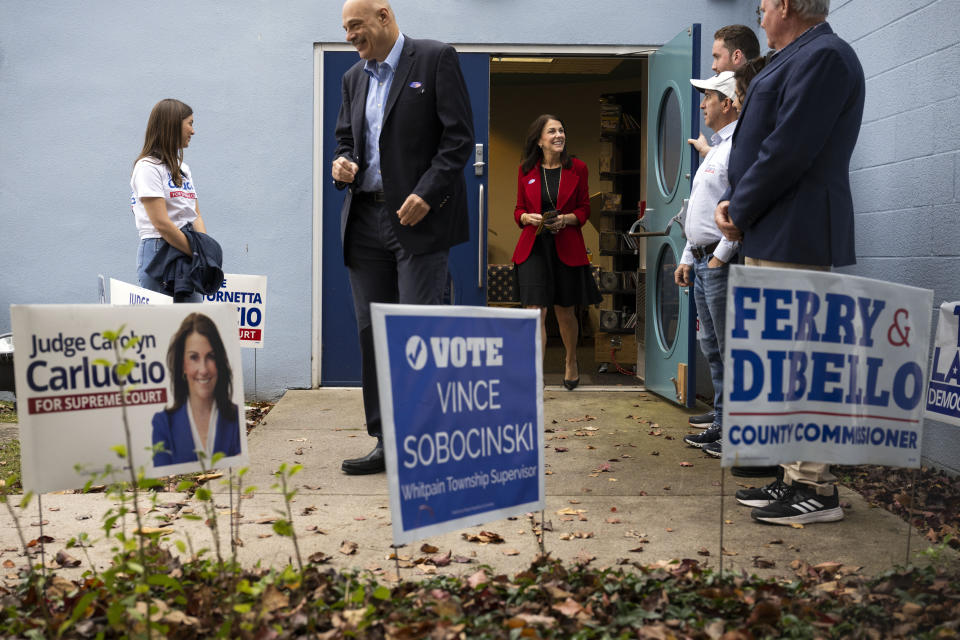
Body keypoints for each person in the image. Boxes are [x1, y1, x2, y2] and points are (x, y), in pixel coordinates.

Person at [714, 0, 866, 525]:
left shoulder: (824, 56)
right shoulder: (795, 54)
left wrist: (742, 205)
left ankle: (816, 488)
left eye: (762, 6)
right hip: (772, 227)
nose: (758, 15)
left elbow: (789, 148)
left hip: (796, 229)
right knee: (781, 365)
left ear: (785, 5)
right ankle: (791, 476)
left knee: (801, 362)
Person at [332, 0, 474, 475]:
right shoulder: (353, 79)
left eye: (356, 26)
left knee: (418, 333)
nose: (351, 36)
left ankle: (428, 442)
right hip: (364, 221)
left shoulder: (434, 59)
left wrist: (428, 194)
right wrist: (342, 164)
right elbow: (345, 140)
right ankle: (385, 441)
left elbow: (458, 139)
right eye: (346, 29)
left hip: (418, 222)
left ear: (384, 16)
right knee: (374, 336)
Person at [675, 72, 739, 459]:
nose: (702, 104)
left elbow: (740, 206)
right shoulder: (716, 148)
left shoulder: (738, 148)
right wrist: (687, 256)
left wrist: (719, 257)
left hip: (717, 260)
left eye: (709, 97)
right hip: (702, 259)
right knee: (711, 347)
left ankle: (731, 430)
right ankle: (720, 420)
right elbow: (699, 209)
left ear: (728, 103)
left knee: (727, 348)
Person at [512, 115, 601, 390]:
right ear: (539, 140)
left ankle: (571, 361)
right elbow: (517, 210)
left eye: (561, 130)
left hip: (566, 246)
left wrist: (567, 219)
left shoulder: (578, 169)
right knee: (534, 311)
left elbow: (585, 209)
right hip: (534, 247)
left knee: (564, 312)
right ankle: (535, 371)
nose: (559, 135)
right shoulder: (526, 171)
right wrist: (526, 217)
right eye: (552, 131)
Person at [130, 99, 209, 302]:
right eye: (190, 123)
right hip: (160, 249)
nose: (193, 131)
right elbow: (161, 224)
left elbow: (195, 214)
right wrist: (198, 251)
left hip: (187, 250)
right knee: (163, 329)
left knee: (192, 324)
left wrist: (205, 250)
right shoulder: (147, 167)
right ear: (173, 125)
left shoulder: (184, 169)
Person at [153, 313, 241, 466]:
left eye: (211, 356)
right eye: (194, 357)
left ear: (219, 361)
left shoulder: (236, 419)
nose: (203, 369)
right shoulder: (164, 424)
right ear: (182, 365)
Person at [688, 25, 761, 159]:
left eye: (717, 57)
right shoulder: (758, 94)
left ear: (737, 56)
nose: (713, 66)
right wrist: (709, 152)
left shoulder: (762, 100)